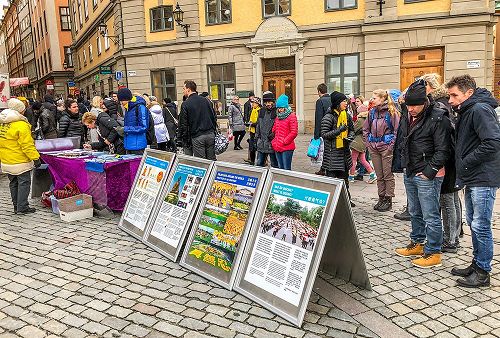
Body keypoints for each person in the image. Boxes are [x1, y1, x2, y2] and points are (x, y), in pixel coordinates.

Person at [445, 75, 500, 287]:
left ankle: (483, 272)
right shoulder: (469, 109)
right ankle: (477, 264)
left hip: (483, 177)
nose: (450, 100)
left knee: (481, 225)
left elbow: (493, 142)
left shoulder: (479, 110)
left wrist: (466, 162)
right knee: (474, 223)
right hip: (474, 176)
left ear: (468, 93)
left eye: (453, 95)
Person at [394, 79, 452, 269]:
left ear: (425, 102)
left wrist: (429, 172)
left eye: (414, 106)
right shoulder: (406, 113)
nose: (410, 109)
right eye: (408, 105)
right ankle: (417, 243)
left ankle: (433, 251)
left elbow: (443, 150)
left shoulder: (438, 117)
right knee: (415, 211)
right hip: (411, 169)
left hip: (429, 174)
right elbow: (403, 140)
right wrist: (404, 165)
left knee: (430, 214)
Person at [420, 73, 461, 253]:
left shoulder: (441, 104)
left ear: (429, 86)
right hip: (452, 157)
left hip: (447, 158)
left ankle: (450, 239)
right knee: (452, 197)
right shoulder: (444, 101)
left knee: (447, 200)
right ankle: (456, 233)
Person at [0, 98, 41, 214]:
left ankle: (16, 206)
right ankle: (22, 206)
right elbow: (27, 145)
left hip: (6, 159)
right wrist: (35, 158)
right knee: (24, 182)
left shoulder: (3, 124)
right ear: (19, 111)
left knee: (13, 183)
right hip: (19, 160)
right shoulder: (21, 125)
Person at [363, 89, 400, 212]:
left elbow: (396, 131)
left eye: (375, 97)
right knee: (379, 175)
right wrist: (369, 143)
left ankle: (388, 199)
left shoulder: (392, 112)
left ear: (383, 99)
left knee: (387, 175)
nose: (372, 99)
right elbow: (365, 129)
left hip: (386, 147)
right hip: (374, 147)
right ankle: (381, 197)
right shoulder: (372, 112)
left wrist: (390, 146)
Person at [321, 91, 355, 206]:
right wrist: (339, 130)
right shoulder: (328, 117)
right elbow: (324, 134)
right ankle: (332, 204)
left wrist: (349, 137)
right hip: (332, 156)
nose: (346, 103)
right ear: (337, 103)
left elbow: (352, 130)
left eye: (346, 100)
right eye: (343, 101)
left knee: (345, 181)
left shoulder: (347, 115)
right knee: (332, 182)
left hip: (344, 154)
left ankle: (346, 200)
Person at [179, 80, 217, 160]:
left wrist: (185, 139)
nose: (183, 91)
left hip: (197, 136)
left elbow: (184, 124)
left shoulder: (186, 104)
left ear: (188, 89)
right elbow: (213, 116)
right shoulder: (206, 100)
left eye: (183, 89)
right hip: (210, 134)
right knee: (212, 160)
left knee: (201, 162)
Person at [349, 98, 376, 183]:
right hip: (364, 141)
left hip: (357, 141)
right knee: (363, 160)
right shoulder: (368, 118)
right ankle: (372, 174)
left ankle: (351, 177)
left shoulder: (360, 119)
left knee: (353, 160)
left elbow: (354, 129)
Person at [116, 88, 149, 155]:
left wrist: (125, 129)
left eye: (122, 100)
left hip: (138, 146)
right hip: (129, 145)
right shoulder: (128, 108)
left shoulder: (140, 107)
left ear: (127, 98)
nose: (121, 103)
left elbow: (144, 127)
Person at [271, 94, 298, 170]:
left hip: (287, 147)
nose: (280, 110)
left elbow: (294, 132)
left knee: (286, 169)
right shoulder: (278, 116)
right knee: (280, 168)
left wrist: (285, 141)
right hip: (277, 145)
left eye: (281, 108)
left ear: (285, 107)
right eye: (278, 108)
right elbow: (275, 129)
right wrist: (274, 140)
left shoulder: (291, 116)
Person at [255, 91, 278, 168]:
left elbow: (279, 126)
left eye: (269, 102)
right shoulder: (261, 111)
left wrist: (274, 134)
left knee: (274, 165)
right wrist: (256, 137)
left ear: (273, 101)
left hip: (271, 143)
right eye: (266, 102)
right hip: (261, 142)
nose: (267, 104)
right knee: (259, 164)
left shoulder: (277, 111)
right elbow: (258, 125)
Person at [245, 96, 261, 165]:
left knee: (257, 147)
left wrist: (252, 124)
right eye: (252, 103)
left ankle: (260, 161)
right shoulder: (252, 110)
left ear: (257, 103)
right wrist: (248, 123)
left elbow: (259, 122)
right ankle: (252, 160)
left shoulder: (260, 110)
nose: (252, 104)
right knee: (251, 147)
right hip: (252, 131)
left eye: (254, 103)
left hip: (257, 132)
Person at [244, 91, 255, 163]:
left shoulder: (256, 105)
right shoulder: (246, 104)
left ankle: (250, 157)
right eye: (252, 96)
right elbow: (246, 113)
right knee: (251, 140)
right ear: (249, 97)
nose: (253, 98)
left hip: (253, 124)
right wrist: (246, 122)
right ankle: (249, 157)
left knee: (251, 141)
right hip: (249, 123)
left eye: (253, 96)